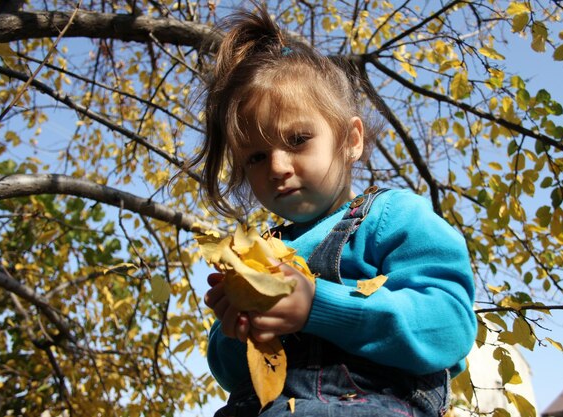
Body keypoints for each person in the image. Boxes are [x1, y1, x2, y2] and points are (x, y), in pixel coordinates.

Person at [196, 6, 477, 417]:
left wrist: (318, 306)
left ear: (350, 138)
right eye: (256, 156)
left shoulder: (390, 216)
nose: (276, 167)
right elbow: (233, 375)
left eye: (297, 139)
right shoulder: (262, 249)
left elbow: (448, 326)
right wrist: (236, 330)